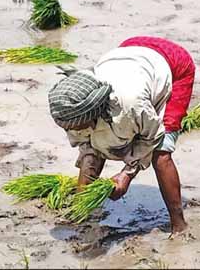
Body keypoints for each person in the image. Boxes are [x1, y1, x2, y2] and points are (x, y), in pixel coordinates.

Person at [48, 36, 196, 234]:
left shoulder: (129, 105)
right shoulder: (75, 105)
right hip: (129, 53)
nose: (68, 129)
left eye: (71, 125)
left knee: (161, 153)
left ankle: (179, 225)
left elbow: (152, 137)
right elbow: (89, 148)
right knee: (95, 146)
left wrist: (127, 173)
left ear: (91, 112)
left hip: (173, 64)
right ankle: (82, 214)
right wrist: (80, 206)